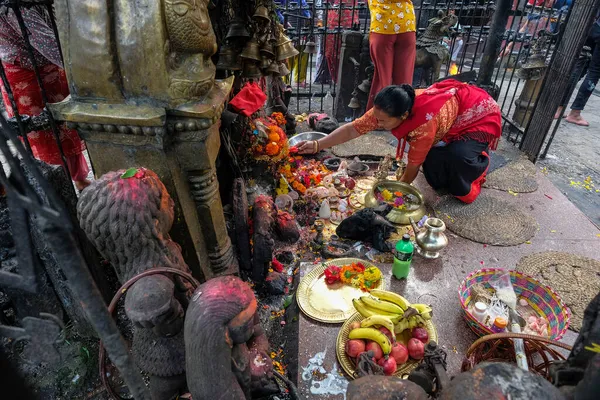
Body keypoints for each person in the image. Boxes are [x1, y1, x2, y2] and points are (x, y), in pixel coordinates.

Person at [298, 80, 502, 204]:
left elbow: (413, 166)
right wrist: (318, 144)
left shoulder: (423, 126)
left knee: (457, 162)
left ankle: (479, 165)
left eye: (383, 122)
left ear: (404, 116)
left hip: (477, 114)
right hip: (449, 116)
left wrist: (391, 191)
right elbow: (353, 128)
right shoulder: (385, 109)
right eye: (376, 118)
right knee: (435, 170)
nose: (377, 123)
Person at [0, 6, 90, 190]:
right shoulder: (14, 7)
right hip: (27, 72)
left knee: (65, 127)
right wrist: (84, 68)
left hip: (44, 67)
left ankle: (76, 179)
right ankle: (58, 186)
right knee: (41, 133)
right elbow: (45, 42)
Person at [367, 0, 417, 110]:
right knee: (405, 78)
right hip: (406, 22)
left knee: (383, 77)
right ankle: (403, 114)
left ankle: (381, 117)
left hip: (382, 23)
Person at [555, 10, 600, 126]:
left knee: (580, 66)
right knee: (594, 72)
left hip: (593, 26)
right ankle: (575, 113)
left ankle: (558, 108)